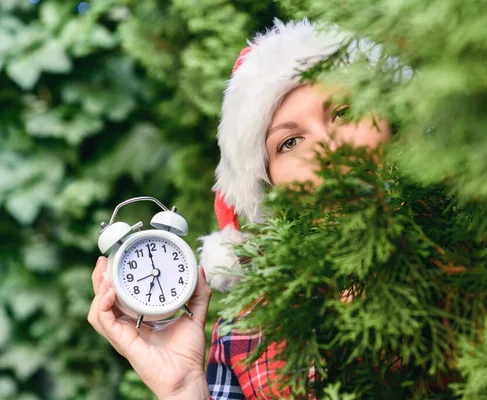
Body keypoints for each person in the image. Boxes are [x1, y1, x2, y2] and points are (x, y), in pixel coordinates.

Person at [88, 18, 391, 400]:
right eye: (290, 142)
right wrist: (183, 388)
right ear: (271, 187)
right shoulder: (246, 333)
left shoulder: (478, 246)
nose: (326, 149)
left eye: (344, 113)